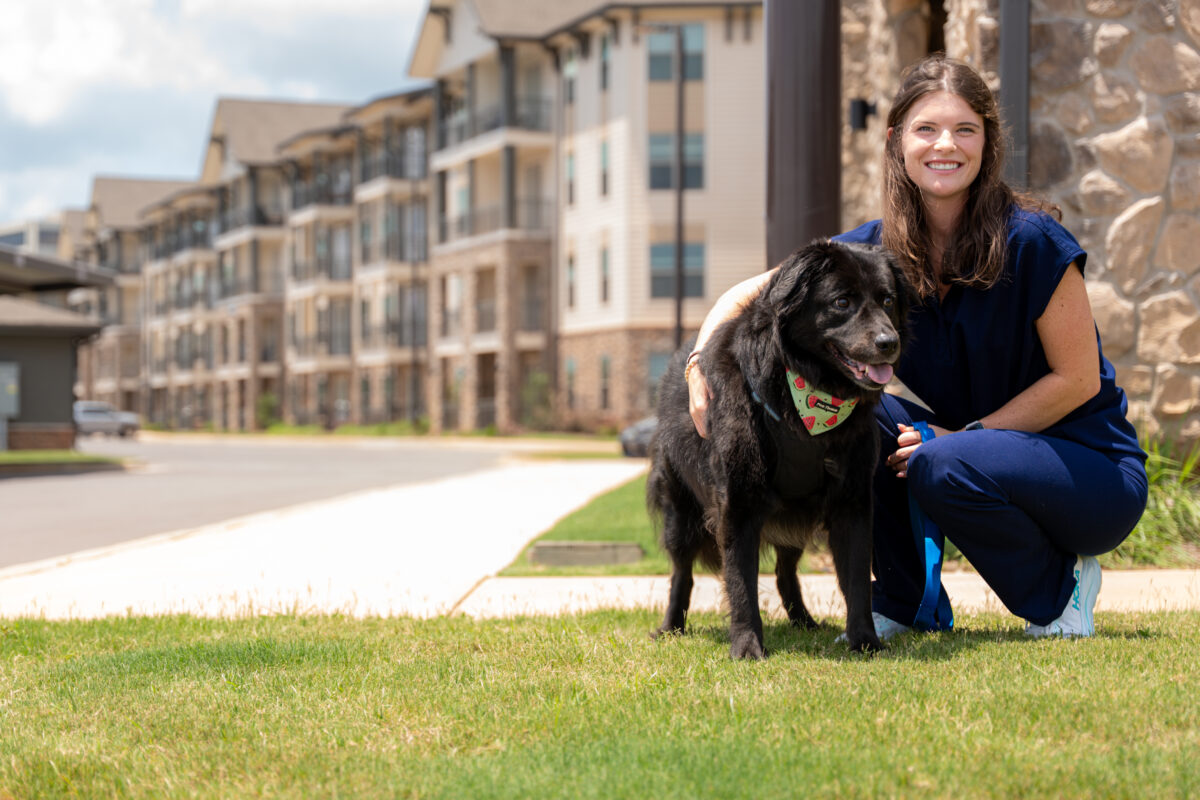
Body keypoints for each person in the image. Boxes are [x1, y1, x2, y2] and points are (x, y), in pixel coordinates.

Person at [685, 54, 1148, 640]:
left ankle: (1061, 590)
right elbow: (748, 294)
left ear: (987, 142)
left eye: (965, 129)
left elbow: (1078, 381)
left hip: (1088, 470)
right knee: (866, 422)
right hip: (976, 453)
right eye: (926, 129)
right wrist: (700, 365)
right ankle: (910, 603)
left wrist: (966, 437)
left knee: (939, 461)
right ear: (897, 141)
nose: (944, 145)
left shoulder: (1032, 242)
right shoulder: (877, 250)